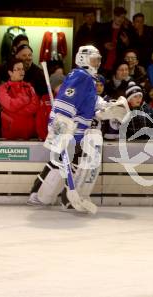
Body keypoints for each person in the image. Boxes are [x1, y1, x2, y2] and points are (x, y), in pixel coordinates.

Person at [27, 45, 103, 212]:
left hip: (78, 132)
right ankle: (39, 195)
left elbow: (89, 102)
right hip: (69, 129)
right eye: (94, 59)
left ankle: (65, 199)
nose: (97, 63)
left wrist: (104, 106)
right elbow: (66, 101)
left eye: (98, 59)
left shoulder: (88, 79)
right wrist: (61, 126)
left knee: (67, 164)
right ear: (83, 59)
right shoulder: (81, 76)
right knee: (58, 163)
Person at [0, 58, 39, 140]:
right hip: (9, 135)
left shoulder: (29, 87)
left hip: (29, 134)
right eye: (18, 69)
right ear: (10, 72)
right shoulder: (2, 88)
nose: (22, 72)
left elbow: (35, 107)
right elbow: (10, 105)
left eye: (23, 69)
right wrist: (26, 99)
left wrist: (16, 110)